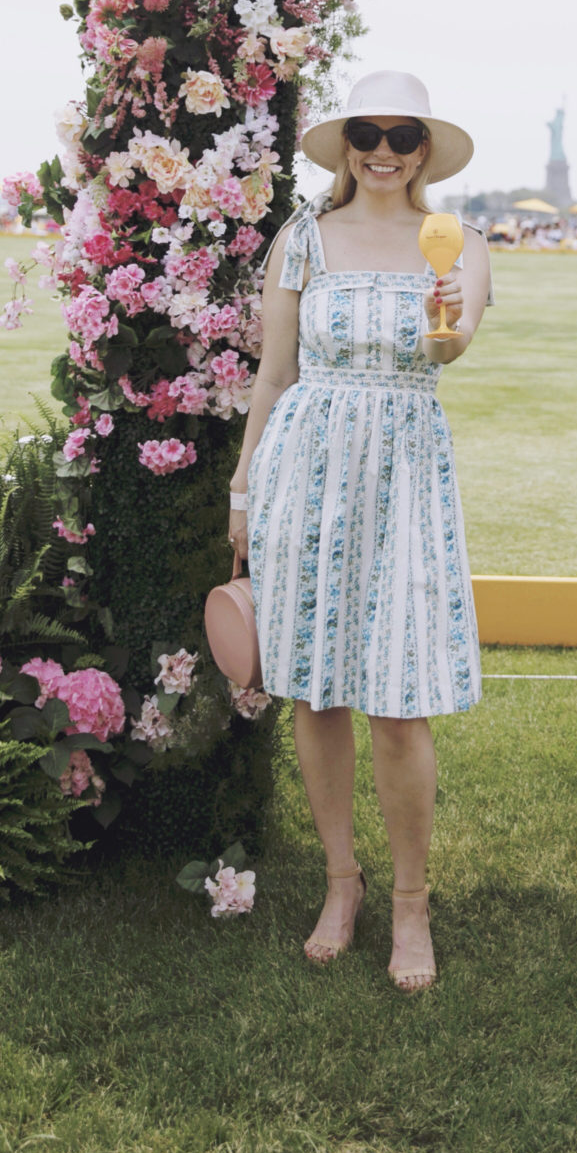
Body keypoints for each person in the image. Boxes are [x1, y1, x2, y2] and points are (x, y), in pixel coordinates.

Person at [227, 71, 490, 992]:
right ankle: (342, 881)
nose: (384, 149)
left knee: (400, 698)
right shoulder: (302, 238)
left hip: (408, 469)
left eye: (403, 134)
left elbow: (451, 350)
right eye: (367, 133)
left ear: (424, 148)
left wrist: (444, 313)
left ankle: (411, 903)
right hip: (307, 464)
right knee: (316, 690)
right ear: (345, 145)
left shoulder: (457, 245)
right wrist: (244, 489)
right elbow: (272, 373)